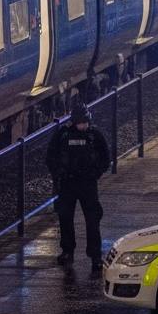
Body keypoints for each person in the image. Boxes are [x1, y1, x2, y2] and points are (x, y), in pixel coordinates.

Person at [46, 102, 110, 271]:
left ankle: (95, 254)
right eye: (81, 122)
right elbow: (51, 157)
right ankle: (67, 251)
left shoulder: (93, 135)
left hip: (87, 183)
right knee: (66, 218)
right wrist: (59, 174)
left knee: (92, 219)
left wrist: (96, 173)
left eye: (86, 122)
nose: (84, 125)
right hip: (68, 183)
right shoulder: (63, 135)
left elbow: (105, 157)